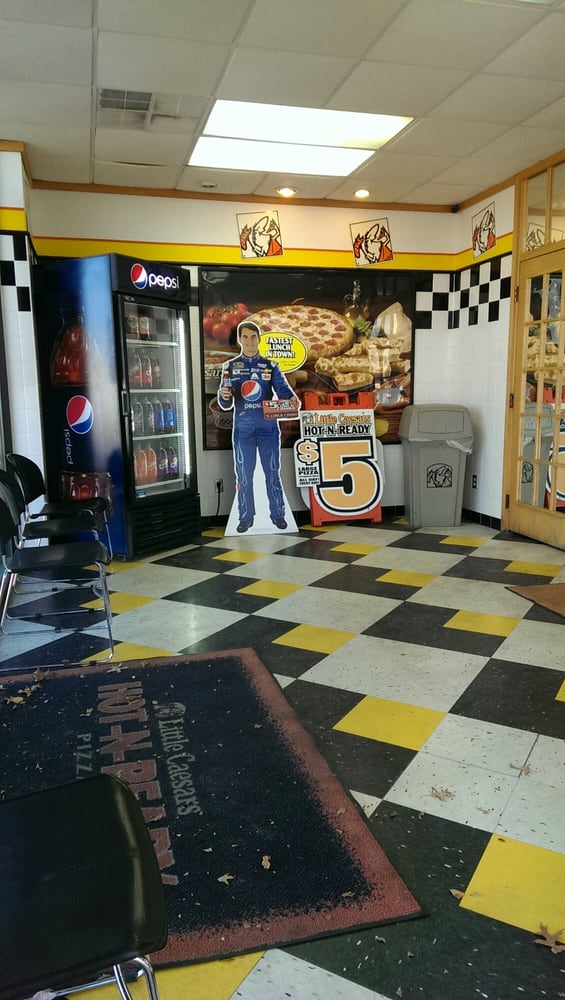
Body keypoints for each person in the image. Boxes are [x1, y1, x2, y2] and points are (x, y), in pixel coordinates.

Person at [217, 320, 298, 533]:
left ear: (259, 339)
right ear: (239, 340)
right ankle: (245, 518)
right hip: (243, 430)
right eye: (245, 337)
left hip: (267, 429)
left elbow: (283, 391)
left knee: (272, 472)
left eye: (253, 337)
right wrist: (223, 395)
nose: (250, 341)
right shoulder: (230, 367)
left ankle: (278, 515)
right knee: (244, 475)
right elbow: (225, 404)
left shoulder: (271, 365)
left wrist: (292, 399)